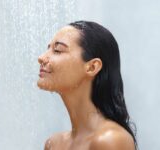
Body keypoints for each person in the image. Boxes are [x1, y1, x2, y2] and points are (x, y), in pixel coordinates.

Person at [37, 21, 137, 150]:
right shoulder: (53, 144)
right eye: (48, 49)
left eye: (57, 50)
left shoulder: (110, 141)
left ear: (92, 67)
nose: (41, 57)